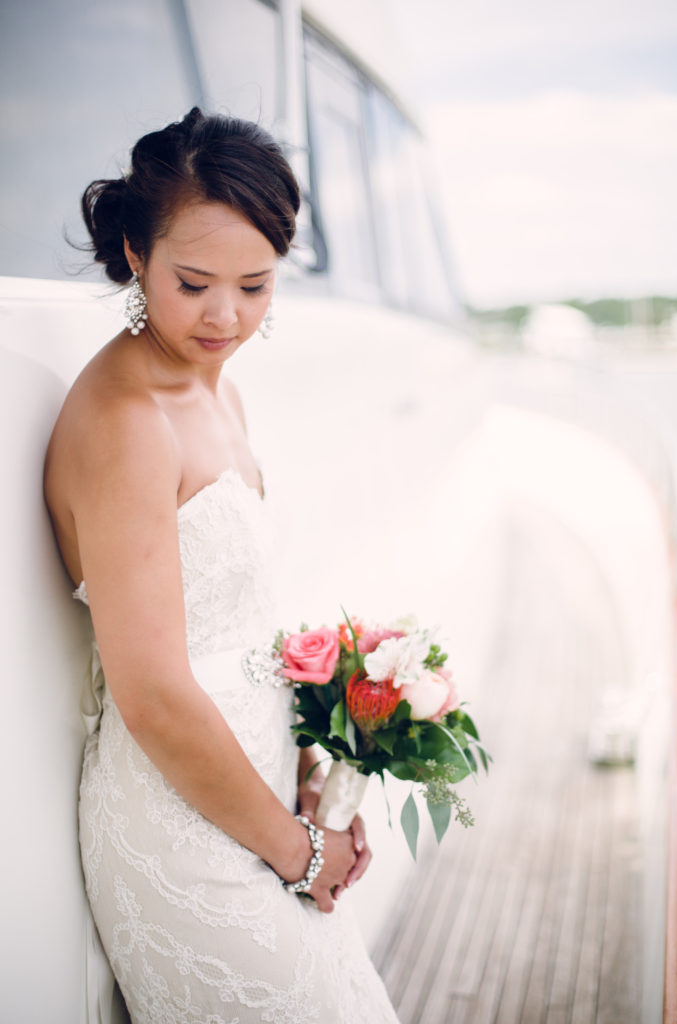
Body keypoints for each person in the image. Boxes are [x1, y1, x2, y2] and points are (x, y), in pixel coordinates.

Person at [44, 108, 399, 1023]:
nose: (225, 316)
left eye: (254, 284)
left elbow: (233, 617)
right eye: (193, 282)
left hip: (253, 799)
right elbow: (153, 691)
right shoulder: (126, 423)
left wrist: (308, 774)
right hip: (182, 831)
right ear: (133, 253)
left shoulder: (217, 387)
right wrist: (298, 852)